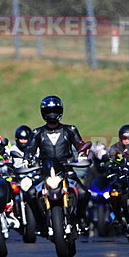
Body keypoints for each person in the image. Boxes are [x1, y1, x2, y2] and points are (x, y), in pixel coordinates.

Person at [24, 95, 91, 231]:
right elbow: (30, 150)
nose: (52, 114)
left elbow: (79, 144)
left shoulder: (70, 129)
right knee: (30, 194)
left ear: (60, 111)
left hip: (67, 170)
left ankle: (81, 218)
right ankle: (39, 223)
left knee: (83, 193)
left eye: (55, 110)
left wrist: (83, 154)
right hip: (46, 172)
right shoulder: (37, 132)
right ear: (43, 113)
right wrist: (27, 160)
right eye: (48, 111)